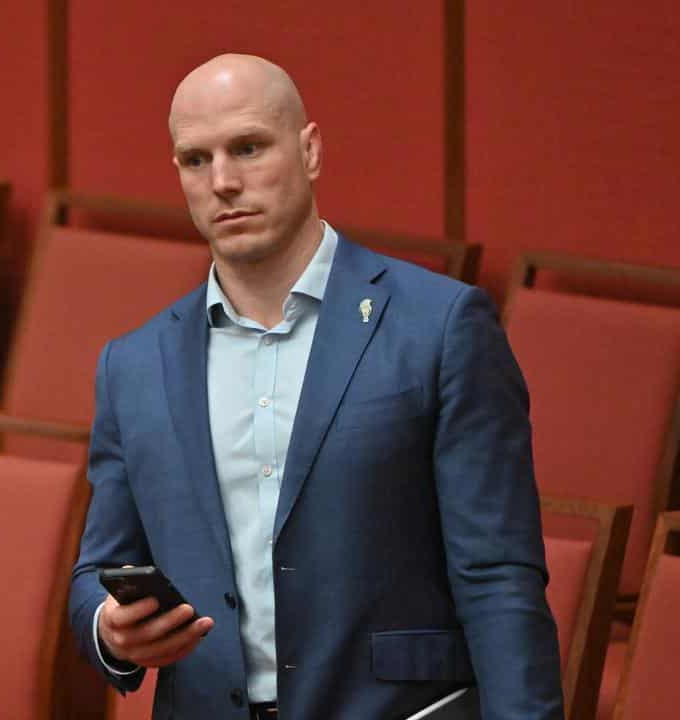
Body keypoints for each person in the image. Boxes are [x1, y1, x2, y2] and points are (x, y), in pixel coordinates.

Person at [68, 54, 564, 719]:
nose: (223, 181)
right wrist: (109, 628)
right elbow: (95, 570)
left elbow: (498, 577)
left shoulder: (440, 328)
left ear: (310, 151)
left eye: (248, 147)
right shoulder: (133, 364)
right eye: (196, 159)